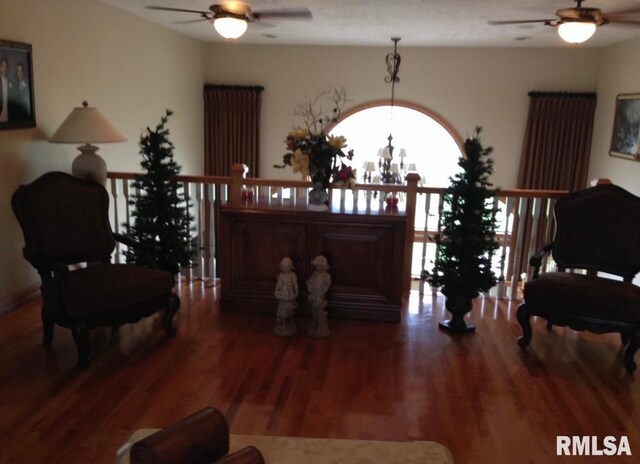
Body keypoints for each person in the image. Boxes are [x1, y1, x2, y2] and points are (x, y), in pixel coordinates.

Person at [306, 255, 331, 338]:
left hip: (319, 296)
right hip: (313, 295)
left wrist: (321, 293)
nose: (318, 267)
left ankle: (322, 327)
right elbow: (310, 281)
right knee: (314, 311)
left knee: (320, 313)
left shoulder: (326, 276)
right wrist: (309, 283)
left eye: (319, 265)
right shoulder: (315, 273)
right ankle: (315, 324)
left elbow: (327, 286)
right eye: (317, 265)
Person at [273, 257, 299, 337]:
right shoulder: (281, 275)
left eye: (287, 267)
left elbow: (295, 284)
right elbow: (278, 286)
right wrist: (276, 292)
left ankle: (291, 323)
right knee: (283, 312)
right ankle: (283, 324)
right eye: (284, 267)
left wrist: (296, 293)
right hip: (283, 295)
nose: (285, 269)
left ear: (291, 267)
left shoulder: (293, 275)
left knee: (290, 311)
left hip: (290, 295)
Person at [0, 58, 12, 122]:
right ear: (0, 67)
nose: (5, 68)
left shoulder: (10, 82)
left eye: (6, 66)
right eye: (3, 66)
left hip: (9, 118)